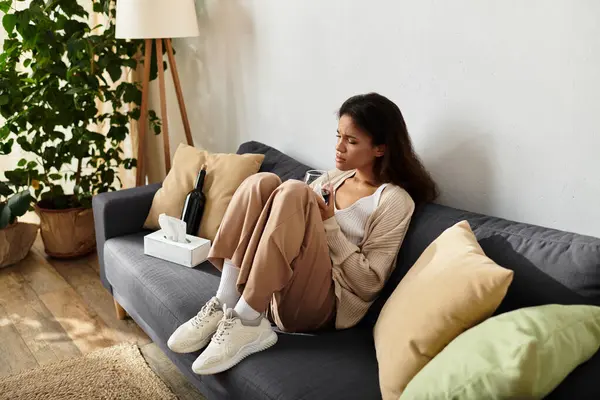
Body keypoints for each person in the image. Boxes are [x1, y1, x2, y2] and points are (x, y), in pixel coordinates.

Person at [167, 92, 438, 375]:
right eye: (338, 136)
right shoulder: (334, 178)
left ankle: (248, 323)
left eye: (352, 141)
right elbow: (284, 221)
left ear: (380, 149)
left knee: (295, 190)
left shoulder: (394, 201)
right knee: (262, 182)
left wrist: (330, 224)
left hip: (323, 307)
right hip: (276, 290)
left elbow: (369, 283)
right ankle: (226, 301)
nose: (339, 147)